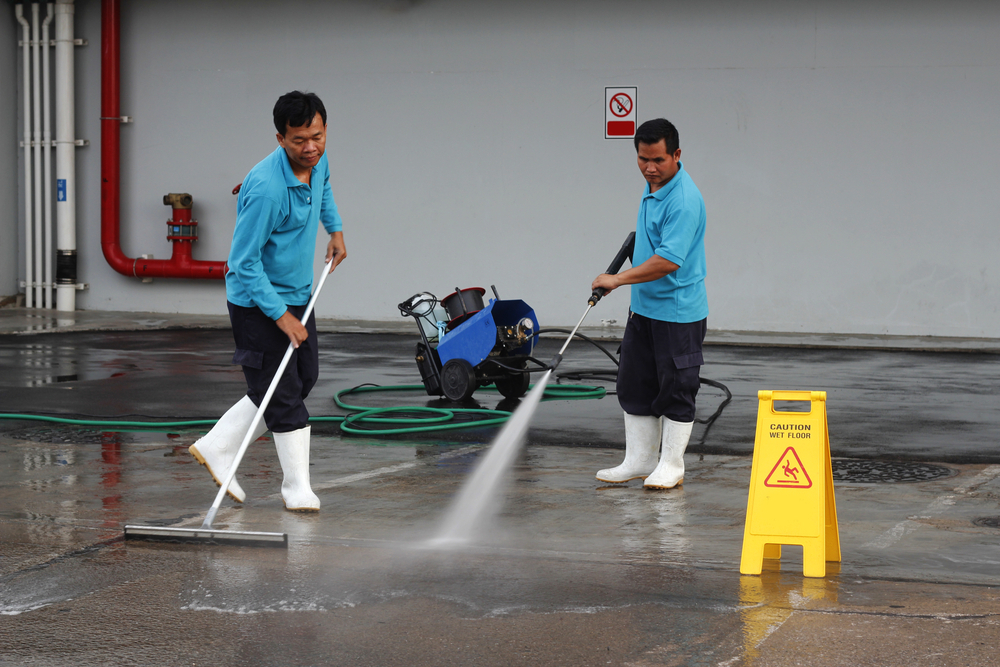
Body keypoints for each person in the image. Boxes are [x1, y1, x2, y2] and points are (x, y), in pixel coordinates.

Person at [189, 91, 347, 512]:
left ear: (324, 129)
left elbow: (325, 188)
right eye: (299, 140)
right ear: (280, 138)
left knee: (302, 377)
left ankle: (219, 445)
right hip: (256, 303)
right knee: (284, 392)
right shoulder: (266, 190)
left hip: (297, 293)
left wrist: (334, 230)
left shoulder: (317, 161)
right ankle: (296, 489)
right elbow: (242, 263)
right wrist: (279, 316)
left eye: (317, 136)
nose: (310, 147)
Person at [591, 118, 708, 490]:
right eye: (643, 159)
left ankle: (671, 464)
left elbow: (668, 261)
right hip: (643, 309)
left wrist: (617, 279)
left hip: (677, 312)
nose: (650, 168)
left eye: (657, 159)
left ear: (676, 154)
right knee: (635, 382)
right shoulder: (653, 186)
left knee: (676, 386)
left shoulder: (684, 199)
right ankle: (639, 459)